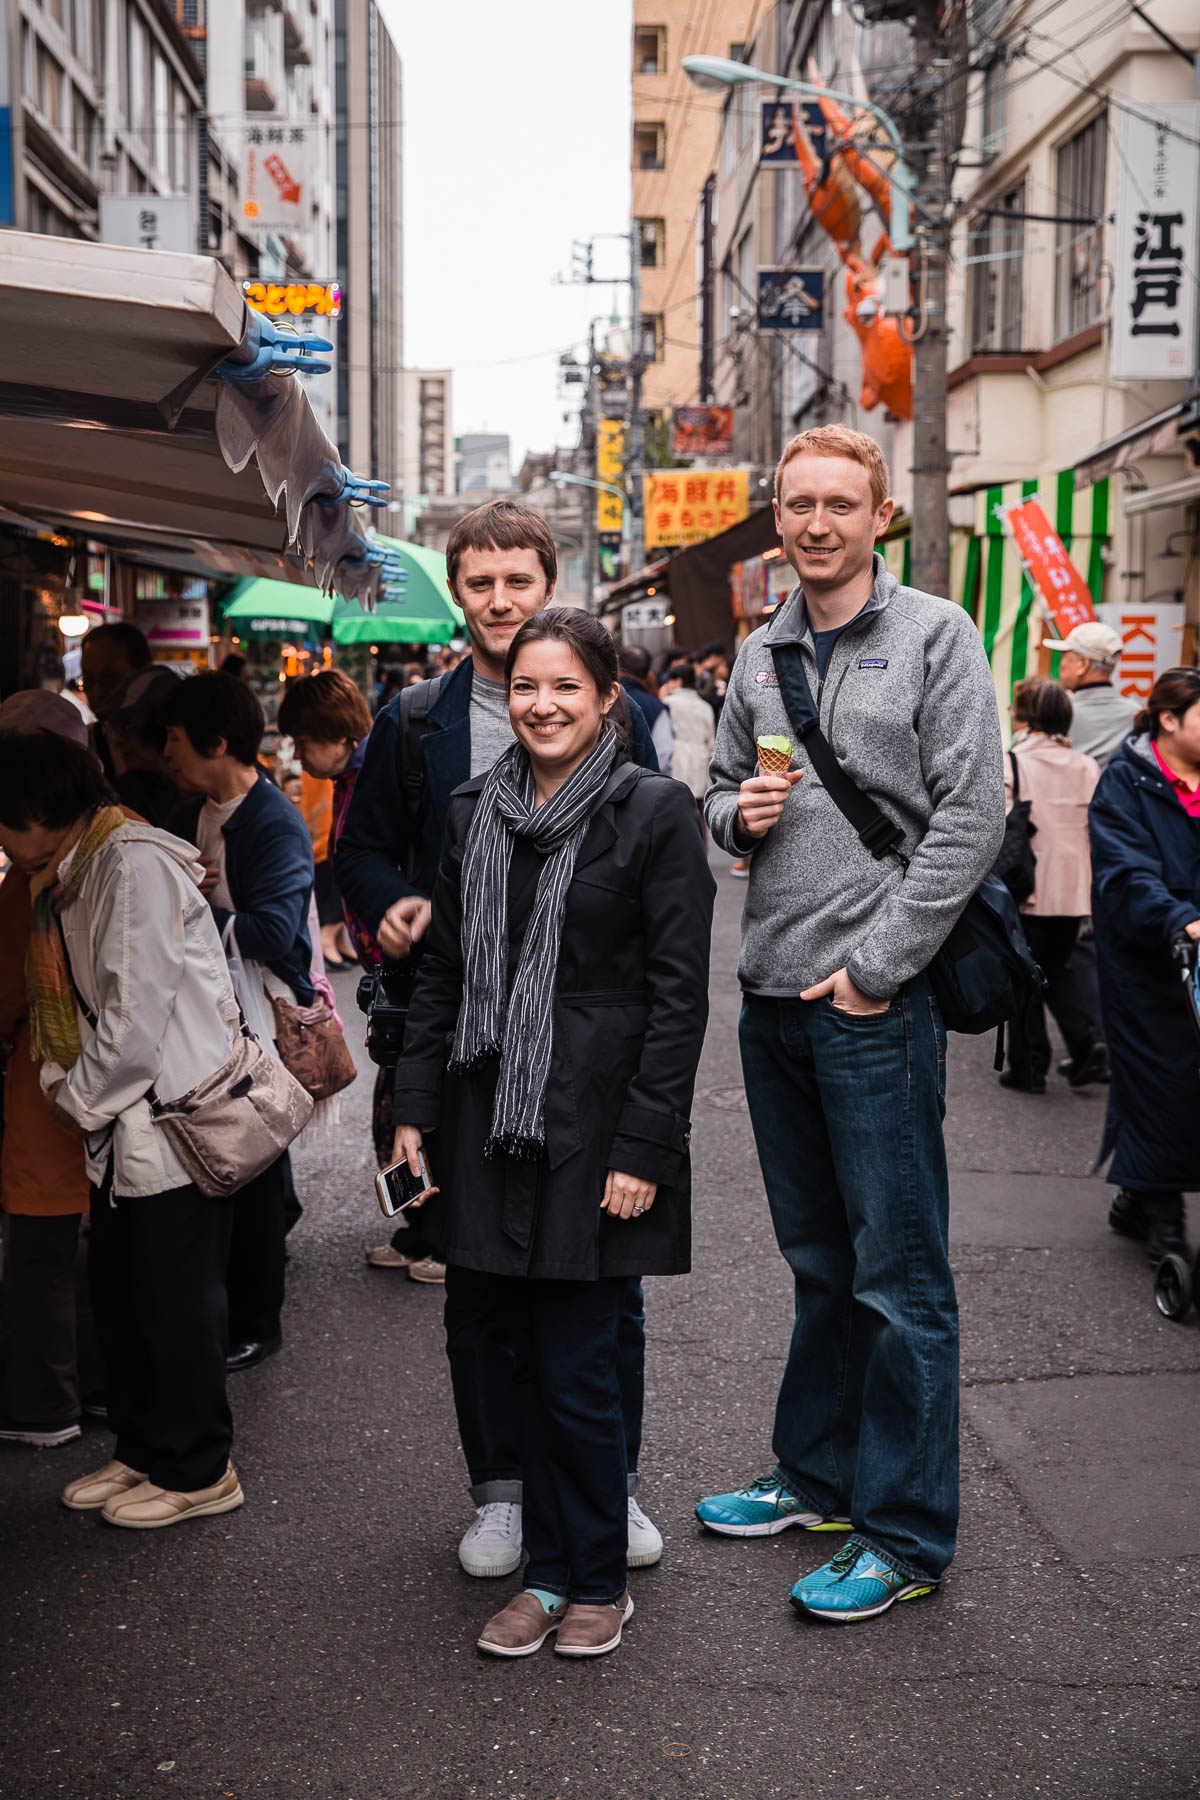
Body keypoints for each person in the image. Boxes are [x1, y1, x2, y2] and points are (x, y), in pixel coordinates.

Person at [698, 423, 1005, 1623]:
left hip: (871, 1007)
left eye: (839, 503)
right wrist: (741, 818)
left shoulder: (935, 634)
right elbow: (715, 798)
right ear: (776, 517)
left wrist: (879, 969)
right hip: (771, 1000)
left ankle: (905, 1533)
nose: (815, 522)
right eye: (796, 503)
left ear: (879, 515)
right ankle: (818, 1478)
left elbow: (971, 817)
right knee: (820, 1266)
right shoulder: (762, 652)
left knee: (899, 1279)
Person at [334, 498, 664, 1583]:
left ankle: (607, 1483)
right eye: (479, 581)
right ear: (458, 590)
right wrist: (399, 904)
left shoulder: (627, 710)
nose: (500, 601)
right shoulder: (416, 716)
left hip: (581, 1048)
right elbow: (365, 850)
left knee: (598, 1288)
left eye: (518, 579)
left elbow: (650, 862)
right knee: (475, 1285)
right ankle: (504, 1494)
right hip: (458, 1022)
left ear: (549, 581)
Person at [392, 609, 714, 1658]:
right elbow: (441, 975)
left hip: (596, 1124)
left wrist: (645, 1148)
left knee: (579, 1361)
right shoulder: (471, 811)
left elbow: (678, 1003)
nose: (543, 704)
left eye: (566, 687)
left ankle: (593, 1578)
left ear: (606, 698)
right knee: (515, 1350)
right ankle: (541, 1572)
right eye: (527, 687)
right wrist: (411, 1111)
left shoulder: (654, 814)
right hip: (488, 1117)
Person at [0, 731, 245, 1528]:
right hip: (122, 1126)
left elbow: (133, 1022)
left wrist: (70, 1098)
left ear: (39, 811)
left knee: (175, 1303)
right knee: (126, 1295)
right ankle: (144, 1449)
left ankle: (201, 1469)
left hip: (167, 1122)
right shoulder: (76, 864)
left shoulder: (127, 862)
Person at [161, 674, 316, 1373]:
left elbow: (276, 929)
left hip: (257, 1010)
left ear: (217, 742)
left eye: (174, 738)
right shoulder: (188, 810)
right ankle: (234, 1302)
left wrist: (192, 910)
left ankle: (260, 1319)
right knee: (234, 1155)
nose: (166, 751)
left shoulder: (271, 819)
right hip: (208, 1003)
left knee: (254, 1160)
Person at [0, 696, 96, 1448]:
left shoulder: (37, 883)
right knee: (80, 1254)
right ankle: (86, 1392)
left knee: (42, 1257)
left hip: (52, 1094)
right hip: (91, 1099)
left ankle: (44, 1406)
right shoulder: (105, 851)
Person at [1089, 666, 1200, 1265]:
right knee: (1163, 1082)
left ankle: (1136, 1195)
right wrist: (1179, 918)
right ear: (1168, 720)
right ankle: (1163, 1217)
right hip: (1145, 964)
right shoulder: (1126, 782)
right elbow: (1125, 872)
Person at [999, 677, 1105, 1093]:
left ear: (1025, 715)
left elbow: (999, 827)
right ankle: (1085, 1045)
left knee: (1024, 978)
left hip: (1028, 886)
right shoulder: (1087, 765)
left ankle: (1028, 1068)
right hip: (1075, 889)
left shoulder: (1014, 762)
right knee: (1057, 970)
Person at [277, 670, 375, 970]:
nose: (297, 753)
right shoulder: (346, 777)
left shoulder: (378, 778)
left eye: (303, 741)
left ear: (338, 735)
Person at [94, 664, 185, 828]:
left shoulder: (202, 790)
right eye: (113, 727)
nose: (116, 739)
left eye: (126, 726)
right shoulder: (128, 791)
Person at [1057, 622, 1137, 770]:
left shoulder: (1058, 711)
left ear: (1082, 664)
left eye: (1064, 656)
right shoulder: (1134, 713)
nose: (1060, 664)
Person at [658, 662, 715, 811]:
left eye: (670, 681)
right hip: (700, 766)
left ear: (679, 681)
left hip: (677, 764)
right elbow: (711, 744)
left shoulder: (667, 703)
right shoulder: (706, 707)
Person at [618, 644, 674, 776]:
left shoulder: (603, 700)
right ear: (648, 672)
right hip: (644, 786)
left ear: (618, 668)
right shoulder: (656, 706)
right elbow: (664, 756)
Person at [80, 621, 152, 720]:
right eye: (88, 680)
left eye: (109, 679)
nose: (97, 692)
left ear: (144, 674)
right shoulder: (92, 734)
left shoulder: (172, 732)